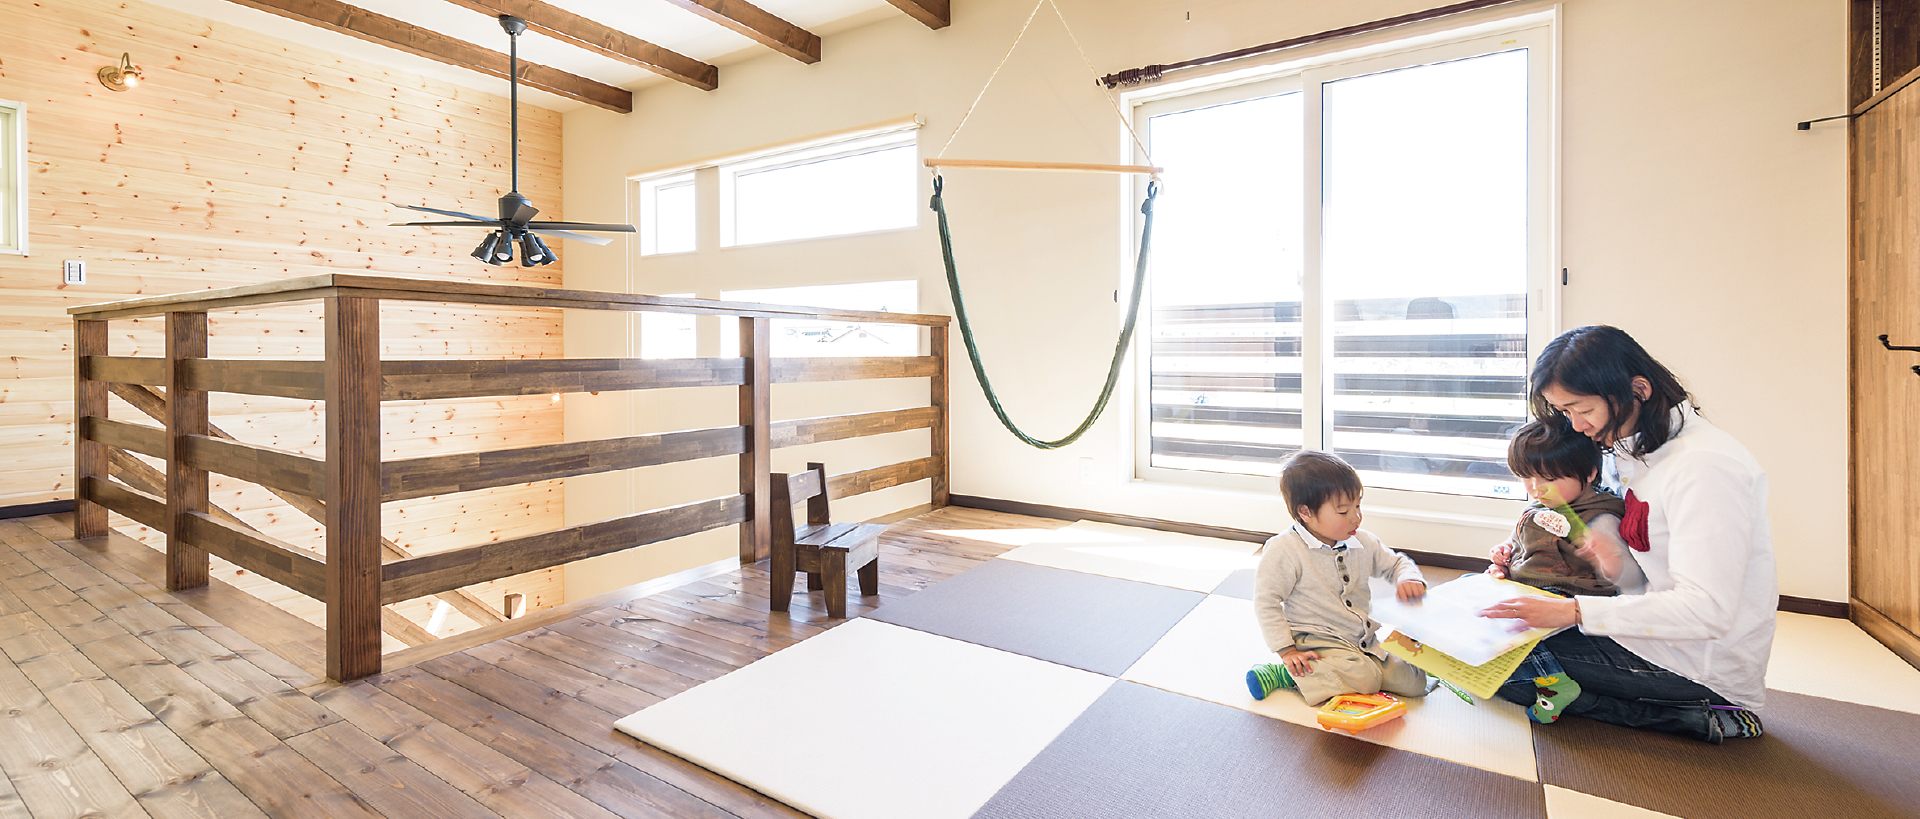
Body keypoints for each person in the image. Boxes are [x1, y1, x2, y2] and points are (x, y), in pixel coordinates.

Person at [1481, 325, 1774, 743]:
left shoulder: (1705, 468)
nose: (1576, 426)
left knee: (1493, 662)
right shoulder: (1633, 448)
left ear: (1638, 389)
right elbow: (1638, 574)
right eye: (1564, 412)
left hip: (1698, 661)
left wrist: (1573, 613)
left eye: (1581, 409)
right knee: (1481, 634)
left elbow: (1707, 609)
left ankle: (1698, 714)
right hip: (1643, 624)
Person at [1245, 449, 1432, 706]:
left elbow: (1397, 563)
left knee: (1415, 683)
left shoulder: (1361, 541)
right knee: (1365, 678)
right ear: (1306, 513)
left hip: (1361, 638)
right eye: (1343, 511)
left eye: (1358, 505)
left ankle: (1341, 673)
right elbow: (1266, 602)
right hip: (1314, 637)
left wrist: (1408, 578)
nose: (1356, 517)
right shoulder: (1284, 549)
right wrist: (1286, 649)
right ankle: (1288, 674)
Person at [1488, 417, 1630, 600]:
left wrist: (1606, 559)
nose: (1536, 488)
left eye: (1549, 478)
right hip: (1521, 583)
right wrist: (1505, 549)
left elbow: (1625, 579)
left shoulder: (1602, 518)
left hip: (1566, 598)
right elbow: (1519, 539)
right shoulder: (1542, 504)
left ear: (1589, 473)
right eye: (1526, 477)